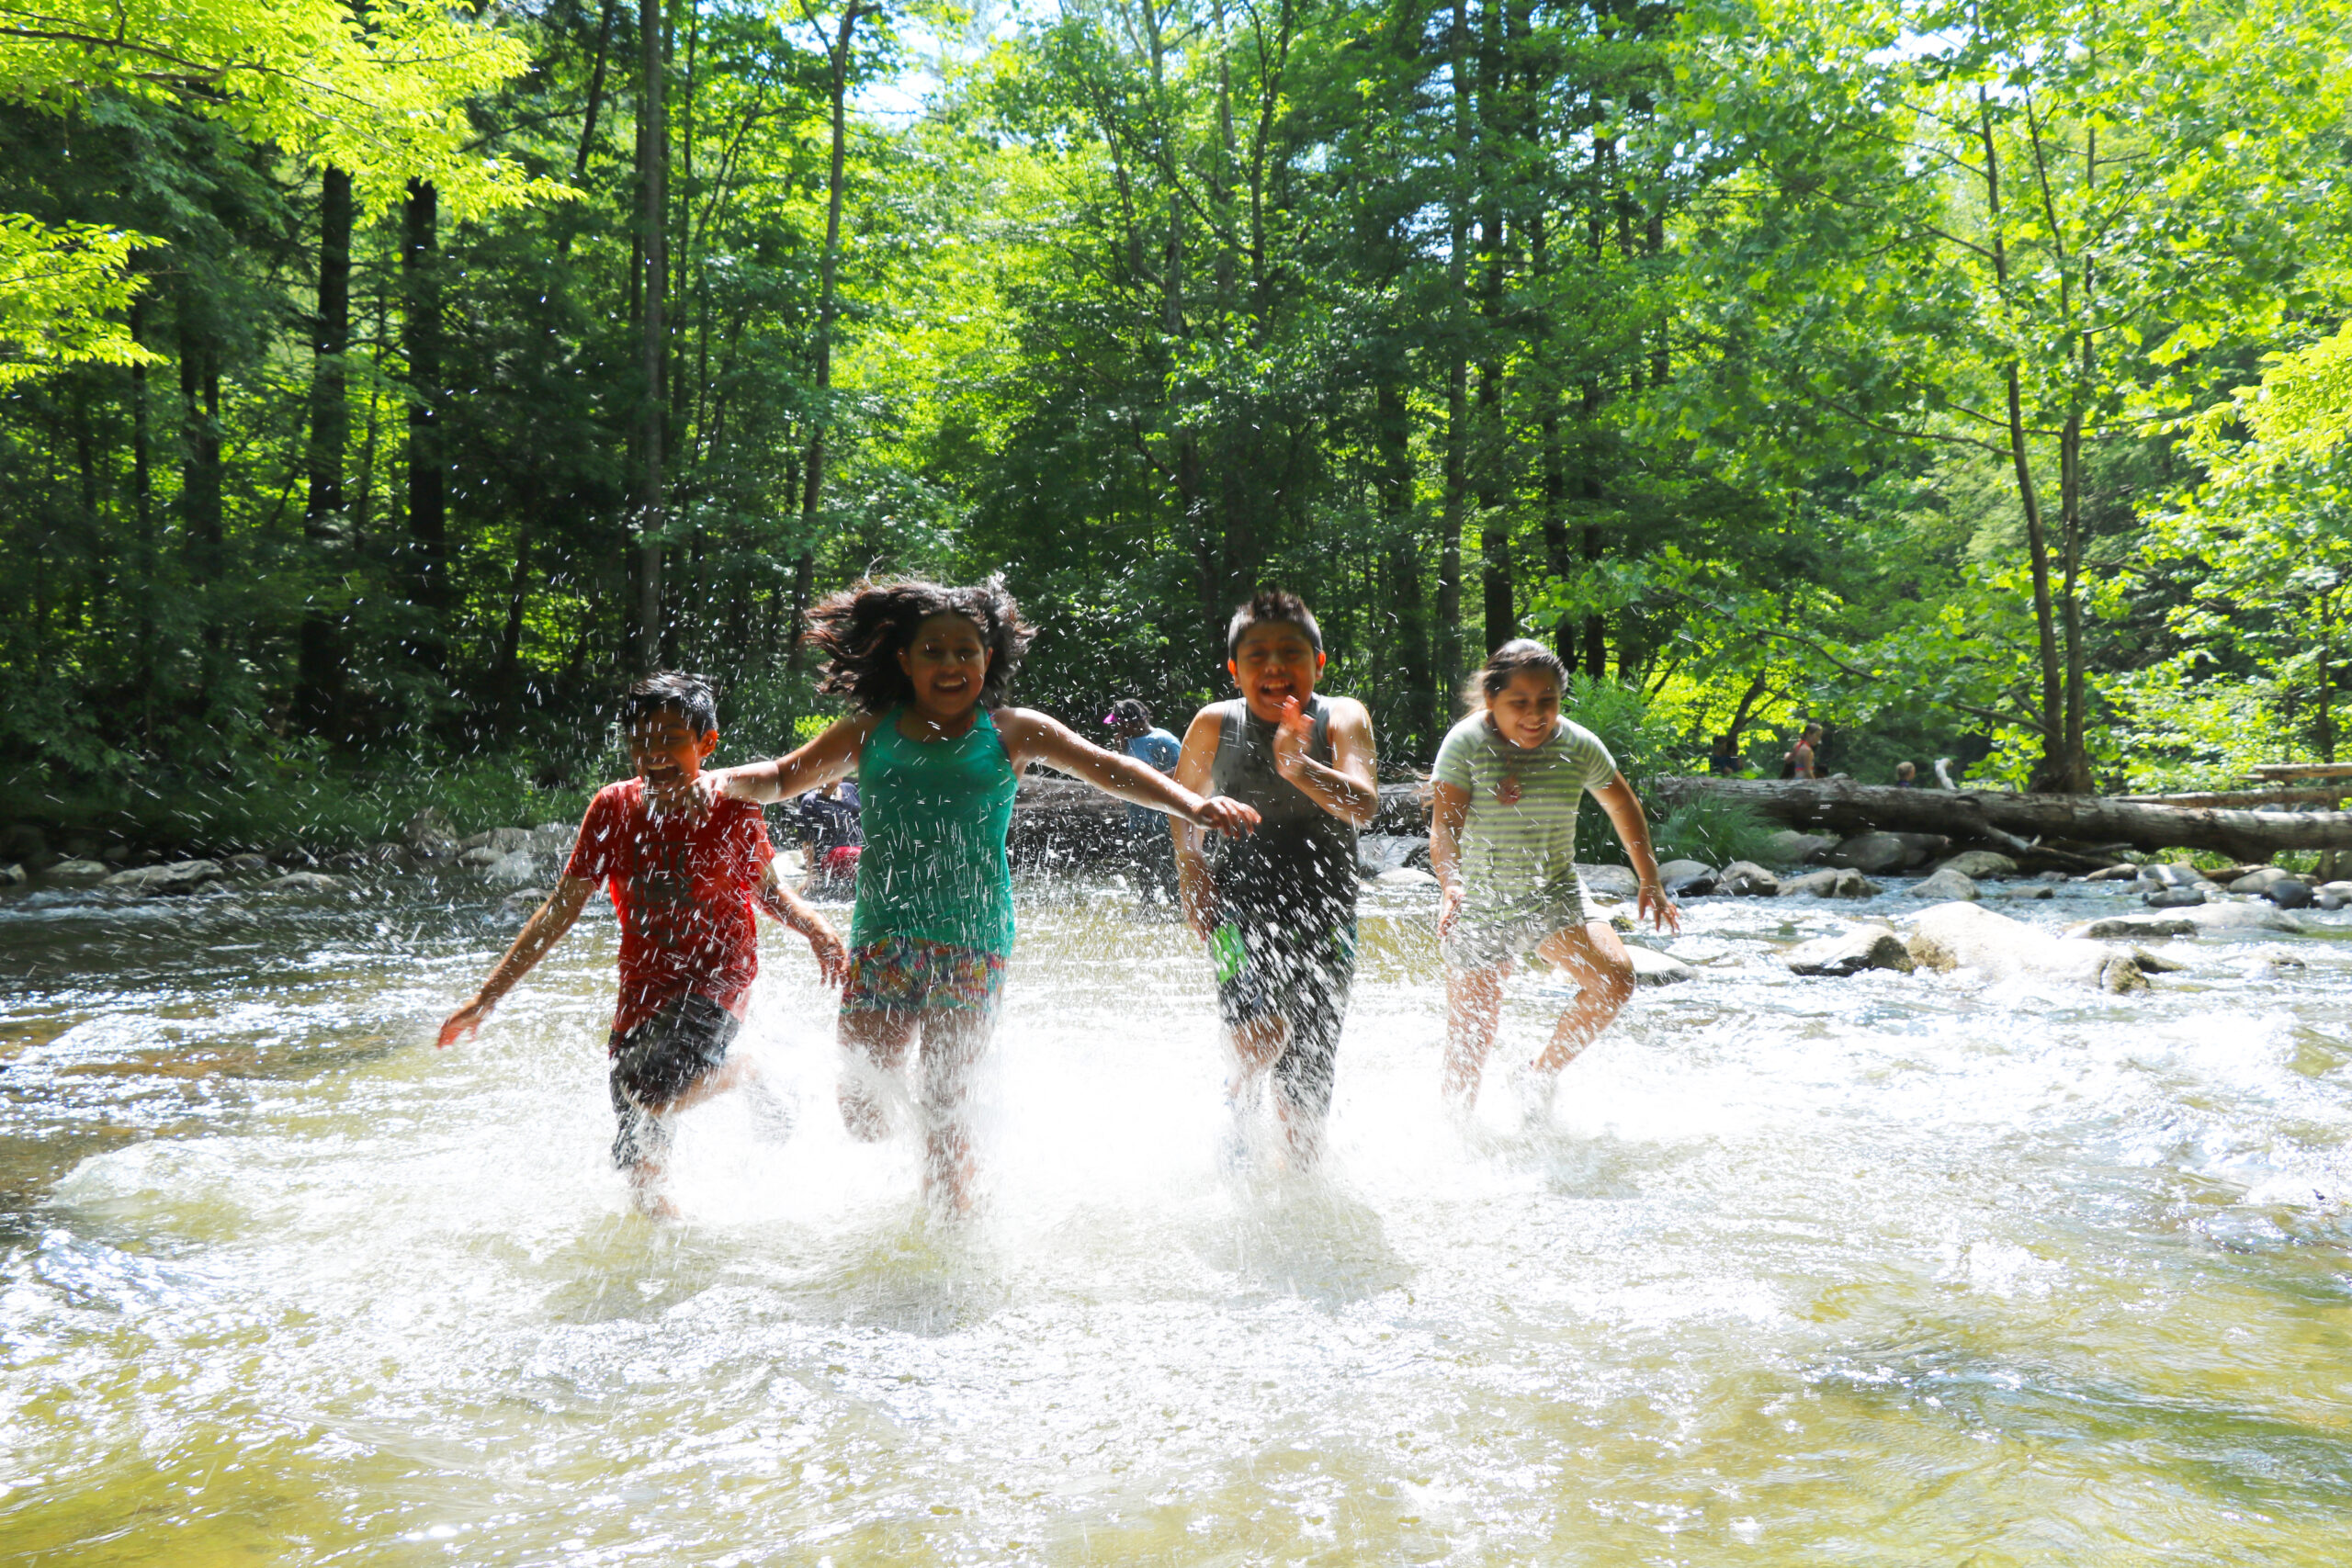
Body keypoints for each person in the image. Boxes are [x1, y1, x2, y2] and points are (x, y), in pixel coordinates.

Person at [701, 578, 1260, 1213]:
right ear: (904, 660)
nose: (950, 664)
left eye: (965, 650)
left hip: (974, 941)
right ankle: (943, 1173)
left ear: (987, 658)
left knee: (943, 1100)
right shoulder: (869, 731)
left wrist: (1193, 802)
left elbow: (1109, 766)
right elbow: (779, 776)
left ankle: (952, 1227)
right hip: (884, 937)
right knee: (862, 1110)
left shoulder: (1012, 732)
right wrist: (714, 782)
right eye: (933, 651)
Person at [437, 671, 851, 1215]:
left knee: (651, 1091)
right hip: (643, 986)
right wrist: (487, 997)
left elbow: (768, 892)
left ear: (708, 743)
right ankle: (668, 1260)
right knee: (641, 1167)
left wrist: (815, 926)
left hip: (719, 977)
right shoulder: (612, 808)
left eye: (672, 738)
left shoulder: (735, 805)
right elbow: (561, 908)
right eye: (641, 740)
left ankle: (755, 1067)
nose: (654, 753)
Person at [1171, 589, 1380, 1168]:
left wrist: (1299, 766)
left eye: (1290, 652)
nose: (1274, 667)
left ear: (1319, 662)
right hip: (1239, 904)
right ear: (1235, 669)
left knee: (1309, 1065)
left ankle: (1301, 1196)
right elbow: (1184, 806)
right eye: (1257, 655)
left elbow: (1362, 805)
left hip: (1326, 911)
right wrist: (1193, 881)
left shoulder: (1343, 717)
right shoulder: (1215, 723)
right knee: (1259, 1032)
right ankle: (1237, 1104)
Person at [1431, 640, 1679, 1118]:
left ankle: (1537, 1076)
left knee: (1615, 981)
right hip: (1478, 900)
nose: (1535, 714)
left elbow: (1621, 805)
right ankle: (1454, 1135)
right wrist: (1450, 882)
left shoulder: (1579, 745)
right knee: (1471, 1031)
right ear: (1491, 700)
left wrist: (1649, 879)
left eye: (1547, 700)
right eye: (1519, 703)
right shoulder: (1466, 743)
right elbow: (1444, 826)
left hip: (1553, 892)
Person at [1104, 698, 1182, 905]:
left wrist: (1147, 782)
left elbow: (1183, 772)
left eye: (1120, 724)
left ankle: (1179, 915)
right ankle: (1148, 910)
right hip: (1137, 820)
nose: (1117, 728)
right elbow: (1124, 775)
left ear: (1137, 721)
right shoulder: (1127, 742)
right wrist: (1120, 751)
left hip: (1164, 821)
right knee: (1143, 875)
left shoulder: (1165, 740)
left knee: (1170, 876)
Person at [790, 778, 863, 897]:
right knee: (861, 856)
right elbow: (807, 842)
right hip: (831, 855)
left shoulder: (850, 789)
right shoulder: (810, 802)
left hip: (858, 849)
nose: (826, 782)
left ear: (840, 777)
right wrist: (812, 874)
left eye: (831, 776)